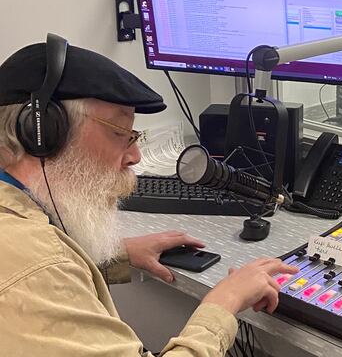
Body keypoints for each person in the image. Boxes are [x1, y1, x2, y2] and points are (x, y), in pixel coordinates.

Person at [0, 36, 299, 356]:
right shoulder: (36, 264)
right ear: (42, 133)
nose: (135, 156)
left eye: (135, 136)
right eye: (119, 134)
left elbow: (49, 295)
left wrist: (117, 257)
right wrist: (225, 302)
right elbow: (38, 277)